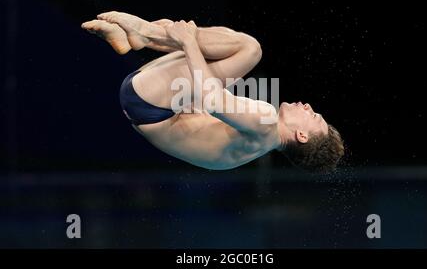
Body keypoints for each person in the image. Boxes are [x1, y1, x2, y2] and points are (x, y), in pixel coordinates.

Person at [81, 12, 344, 172]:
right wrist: (188, 44)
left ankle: (147, 33)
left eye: (314, 116)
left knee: (250, 49)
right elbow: (204, 107)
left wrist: (187, 41)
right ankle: (145, 36)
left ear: (301, 135)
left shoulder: (266, 122)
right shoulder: (258, 143)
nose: (309, 107)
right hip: (145, 104)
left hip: (147, 102)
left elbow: (213, 100)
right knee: (228, 42)